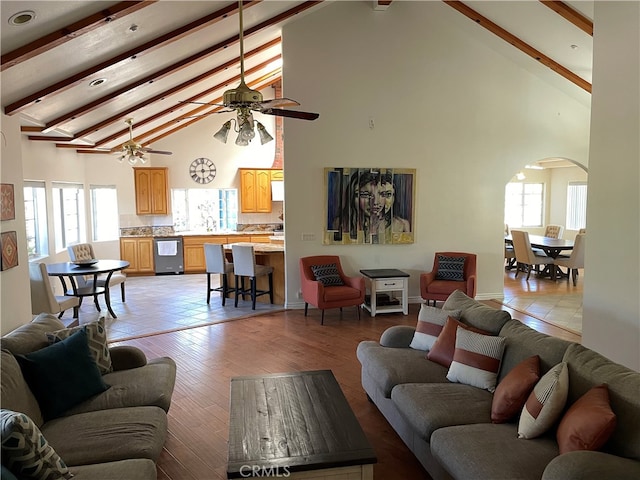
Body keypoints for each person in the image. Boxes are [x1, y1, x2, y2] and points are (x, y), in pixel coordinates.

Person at [335, 170, 410, 243]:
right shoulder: (340, 224)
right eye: (365, 195)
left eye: (386, 194)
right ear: (352, 197)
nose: (375, 202)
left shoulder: (402, 225)